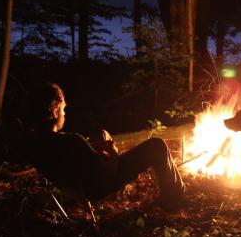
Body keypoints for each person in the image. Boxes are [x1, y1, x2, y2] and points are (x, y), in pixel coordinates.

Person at [23, 82, 185, 210]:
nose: (65, 114)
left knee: (101, 134)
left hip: (74, 187)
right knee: (157, 146)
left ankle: (172, 195)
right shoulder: (72, 141)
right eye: (64, 109)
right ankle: (174, 200)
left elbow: (68, 157)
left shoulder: (35, 143)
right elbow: (108, 172)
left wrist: (88, 146)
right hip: (99, 187)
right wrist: (112, 151)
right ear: (56, 110)